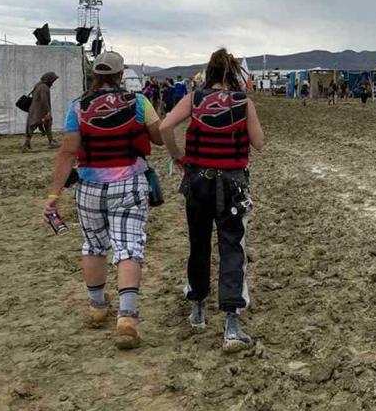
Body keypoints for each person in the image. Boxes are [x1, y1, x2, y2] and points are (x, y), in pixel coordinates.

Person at [43, 51, 163, 349]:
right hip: (128, 183)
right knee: (128, 246)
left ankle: (97, 307)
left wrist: (54, 194)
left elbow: (68, 152)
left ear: (94, 74)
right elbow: (158, 137)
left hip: (89, 186)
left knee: (93, 245)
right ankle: (127, 317)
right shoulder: (138, 103)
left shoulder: (78, 107)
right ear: (121, 75)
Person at [160, 49, 264, 353]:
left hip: (198, 181)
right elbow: (259, 144)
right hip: (232, 184)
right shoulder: (244, 102)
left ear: (208, 72)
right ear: (232, 73)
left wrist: (177, 156)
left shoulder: (194, 99)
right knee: (232, 248)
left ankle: (198, 309)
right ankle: (232, 325)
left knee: (199, 243)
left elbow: (166, 126)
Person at [24, 71, 59, 150]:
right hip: (39, 110)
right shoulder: (44, 87)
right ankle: (26, 144)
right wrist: (47, 112)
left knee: (45, 124)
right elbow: (44, 100)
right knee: (33, 126)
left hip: (36, 109)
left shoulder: (39, 85)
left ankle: (51, 141)